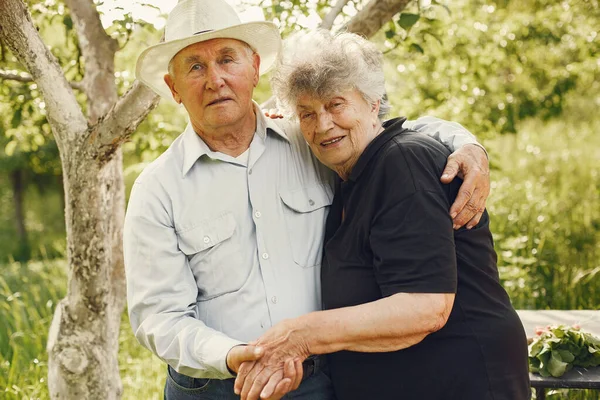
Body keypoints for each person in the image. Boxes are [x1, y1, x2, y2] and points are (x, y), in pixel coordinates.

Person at [125, 0, 492, 399]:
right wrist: (238, 356)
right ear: (174, 88)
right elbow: (159, 317)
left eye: (227, 59)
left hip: (317, 380)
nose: (215, 79)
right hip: (213, 388)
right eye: (194, 66)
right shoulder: (157, 188)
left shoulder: (314, 140)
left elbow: (381, 130)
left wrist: (467, 144)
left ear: (254, 69)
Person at [232, 30, 530, 400]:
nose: (322, 124)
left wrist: (301, 337)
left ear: (373, 103)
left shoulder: (402, 161)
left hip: (458, 378)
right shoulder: (347, 173)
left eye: (336, 104)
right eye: (307, 113)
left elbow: (425, 307)